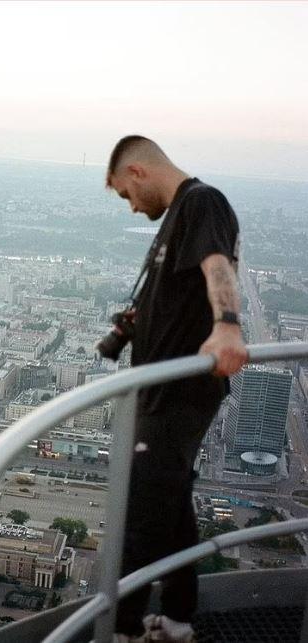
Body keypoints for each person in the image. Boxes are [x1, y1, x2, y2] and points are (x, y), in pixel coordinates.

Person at [105, 136, 247, 642]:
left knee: (141, 516)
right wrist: (129, 329)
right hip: (166, 390)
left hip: (179, 394)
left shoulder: (201, 202)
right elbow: (171, 295)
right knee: (171, 506)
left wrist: (228, 324)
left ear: (138, 172)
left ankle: (122, 629)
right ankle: (180, 617)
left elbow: (216, 264)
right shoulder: (174, 218)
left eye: (125, 193)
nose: (130, 204)